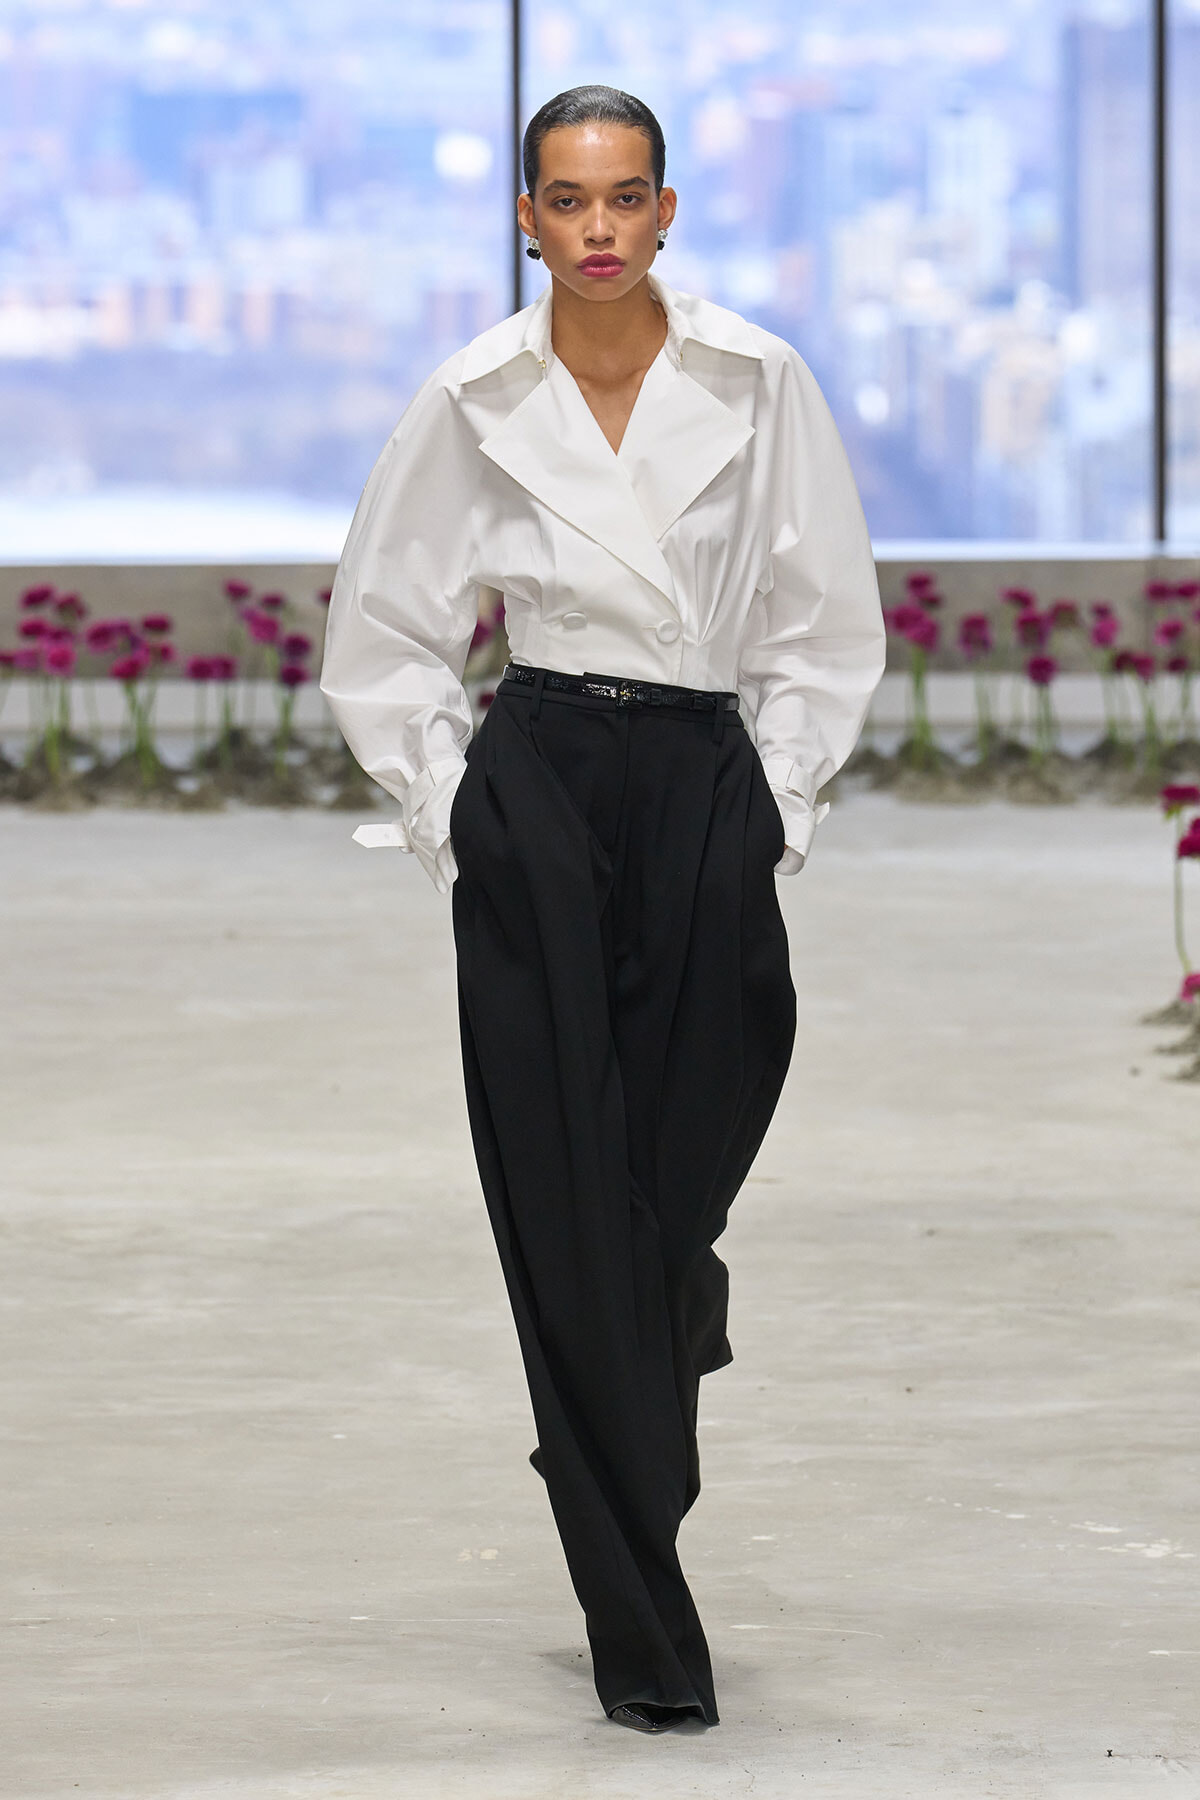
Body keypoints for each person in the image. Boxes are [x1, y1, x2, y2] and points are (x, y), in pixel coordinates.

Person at [319, 83, 886, 1736]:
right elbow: (386, 626)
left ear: (668, 212)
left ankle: (666, 1323)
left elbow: (822, 615)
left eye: (626, 197)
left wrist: (772, 803)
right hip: (548, 774)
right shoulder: (476, 396)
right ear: (526, 217)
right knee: (561, 1185)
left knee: (680, 1162)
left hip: (706, 776)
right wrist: (460, 817)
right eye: (567, 200)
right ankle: (640, 1610)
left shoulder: (756, 380)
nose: (598, 228)